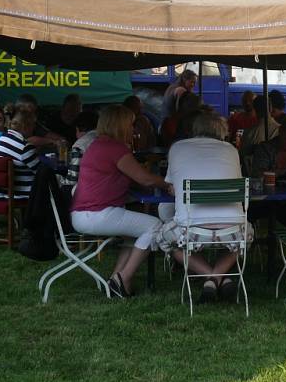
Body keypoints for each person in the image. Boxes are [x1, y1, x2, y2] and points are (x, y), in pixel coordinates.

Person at [71, 104, 171, 298]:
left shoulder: (99, 145)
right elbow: (145, 179)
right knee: (154, 226)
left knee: (134, 235)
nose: (133, 129)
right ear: (120, 125)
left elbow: (132, 179)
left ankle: (115, 280)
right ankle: (123, 278)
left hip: (86, 213)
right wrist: (167, 184)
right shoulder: (115, 148)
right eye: (131, 124)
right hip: (97, 214)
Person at [156, 112, 251, 302]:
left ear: (194, 130)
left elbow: (171, 187)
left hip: (189, 229)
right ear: (222, 131)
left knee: (164, 239)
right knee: (247, 236)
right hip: (233, 228)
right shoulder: (231, 150)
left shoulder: (177, 148)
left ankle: (210, 277)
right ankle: (218, 277)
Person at [0, 108, 41, 199]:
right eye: (33, 125)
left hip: (1, 193)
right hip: (21, 195)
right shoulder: (25, 147)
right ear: (25, 126)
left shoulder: (1, 139)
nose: (34, 128)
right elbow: (41, 172)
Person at [63, 110, 99, 189]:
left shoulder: (80, 145)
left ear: (78, 128)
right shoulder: (108, 139)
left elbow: (72, 180)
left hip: (88, 191)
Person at [240, 95, 279, 161]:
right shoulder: (282, 130)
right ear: (271, 108)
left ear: (255, 109)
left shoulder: (249, 133)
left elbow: (242, 156)